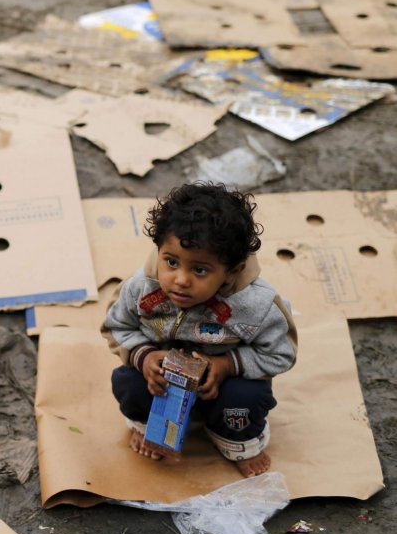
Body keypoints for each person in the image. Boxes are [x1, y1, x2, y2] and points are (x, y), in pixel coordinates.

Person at [101, 182, 297, 477]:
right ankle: (149, 426)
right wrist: (145, 358)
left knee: (246, 398)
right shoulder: (141, 288)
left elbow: (281, 353)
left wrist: (228, 365)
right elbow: (117, 327)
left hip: (222, 390)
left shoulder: (257, 305)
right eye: (171, 262)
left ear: (232, 271)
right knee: (128, 381)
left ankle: (233, 440)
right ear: (159, 250)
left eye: (200, 270)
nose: (180, 280)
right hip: (164, 385)